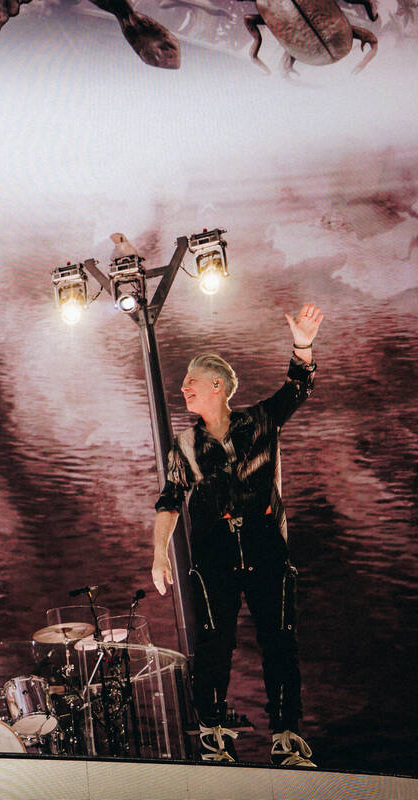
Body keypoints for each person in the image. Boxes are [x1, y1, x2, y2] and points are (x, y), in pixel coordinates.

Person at [151, 304, 324, 767]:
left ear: (218, 386)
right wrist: (159, 554)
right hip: (215, 552)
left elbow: (297, 388)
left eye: (192, 380)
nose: (184, 388)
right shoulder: (185, 445)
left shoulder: (261, 421)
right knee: (213, 642)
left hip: (267, 542)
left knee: (279, 639)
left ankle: (287, 736)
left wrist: (302, 343)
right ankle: (214, 735)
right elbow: (170, 499)